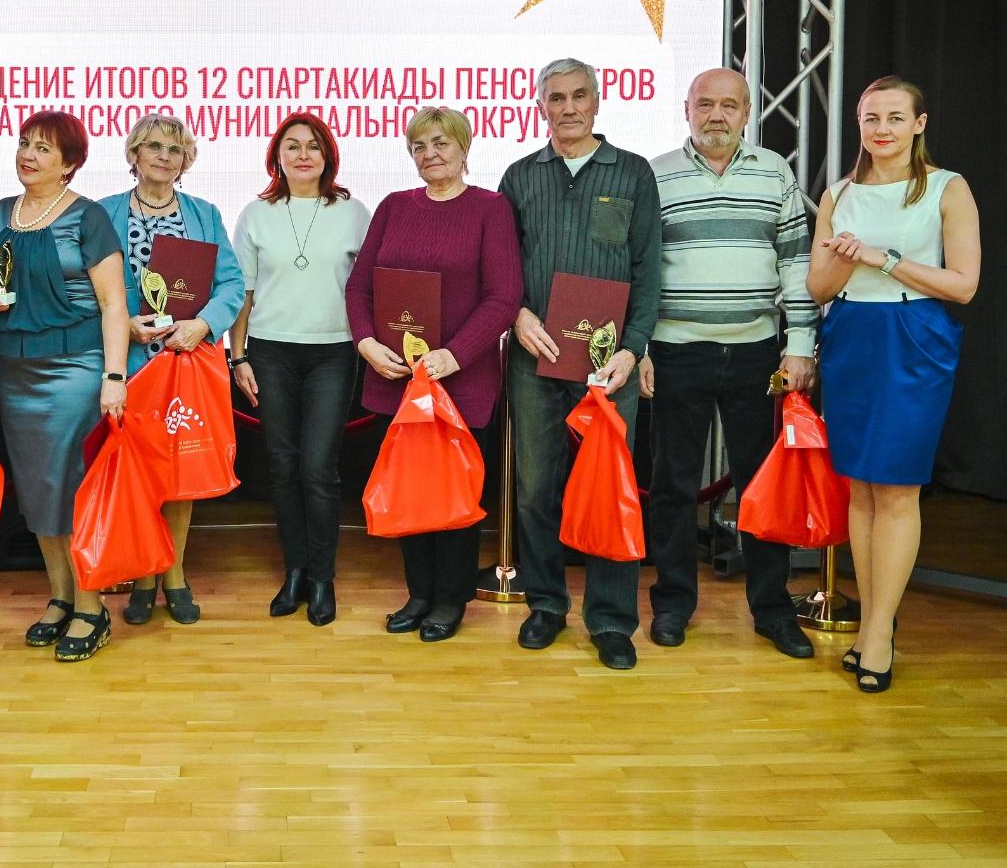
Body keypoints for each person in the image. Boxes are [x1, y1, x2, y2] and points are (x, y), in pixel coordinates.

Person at [808, 75, 979, 693]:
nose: (882, 129)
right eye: (871, 118)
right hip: (852, 333)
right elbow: (818, 289)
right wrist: (842, 257)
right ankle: (872, 625)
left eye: (895, 117)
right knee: (860, 486)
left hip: (914, 335)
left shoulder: (947, 187)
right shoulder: (839, 192)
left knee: (898, 488)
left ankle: (878, 633)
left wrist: (882, 258)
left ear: (919, 124)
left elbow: (963, 285)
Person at [641, 68, 819, 659]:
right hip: (676, 350)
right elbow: (642, 271)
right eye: (705, 104)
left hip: (756, 353)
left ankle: (772, 609)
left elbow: (796, 262)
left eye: (728, 106)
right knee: (672, 485)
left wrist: (799, 344)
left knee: (760, 486)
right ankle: (672, 604)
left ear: (746, 112)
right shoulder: (657, 175)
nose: (716, 116)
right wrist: (641, 347)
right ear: (685, 109)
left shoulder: (775, 172)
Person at [500, 58, 662, 670]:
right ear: (539, 105)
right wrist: (517, 314)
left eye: (578, 96)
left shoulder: (633, 172)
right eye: (556, 97)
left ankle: (612, 620)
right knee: (536, 491)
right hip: (534, 355)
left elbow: (648, 269)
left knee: (609, 491)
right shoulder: (520, 176)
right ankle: (545, 604)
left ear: (597, 101)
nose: (567, 107)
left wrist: (633, 347)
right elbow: (502, 269)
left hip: (608, 364)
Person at [345, 107, 522, 641]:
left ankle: (450, 598)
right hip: (395, 379)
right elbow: (359, 287)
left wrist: (455, 355)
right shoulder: (394, 207)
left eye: (441, 143)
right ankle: (419, 593)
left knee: (453, 495)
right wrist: (366, 342)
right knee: (410, 491)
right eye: (419, 146)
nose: (430, 154)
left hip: (461, 383)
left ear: (464, 148)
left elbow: (504, 296)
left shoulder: (490, 208)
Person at [0, 111, 128, 662]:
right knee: (38, 488)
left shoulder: (89, 217)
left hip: (77, 369)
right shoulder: (0, 213)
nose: (28, 154)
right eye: (25, 143)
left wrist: (114, 377)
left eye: (43, 148)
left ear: (69, 164)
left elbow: (114, 304)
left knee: (73, 489)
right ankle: (61, 596)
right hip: (18, 370)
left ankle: (92, 607)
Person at [98, 113, 245, 626]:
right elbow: (89, 289)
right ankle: (144, 575)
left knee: (180, 472)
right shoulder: (103, 213)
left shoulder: (205, 214)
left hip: (187, 363)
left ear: (186, 161)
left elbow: (232, 284)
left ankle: (175, 573)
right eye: (154, 146)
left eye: (175, 149)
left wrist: (203, 325)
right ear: (134, 154)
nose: (164, 156)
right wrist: (124, 326)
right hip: (132, 364)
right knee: (141, 474)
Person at [229, 113, 372, 626]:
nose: (303, 154)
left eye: (313, 145)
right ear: (277, 156)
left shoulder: (353, 212)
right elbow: (243, 292)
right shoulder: (256, 214)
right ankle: (295, 571)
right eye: (292, 146)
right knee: (282, 465)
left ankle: (322, 578)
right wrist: (238, 355)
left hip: (334, 352)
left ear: (328, 155)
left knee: (319, 467)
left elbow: (369, 287)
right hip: (270, 352)